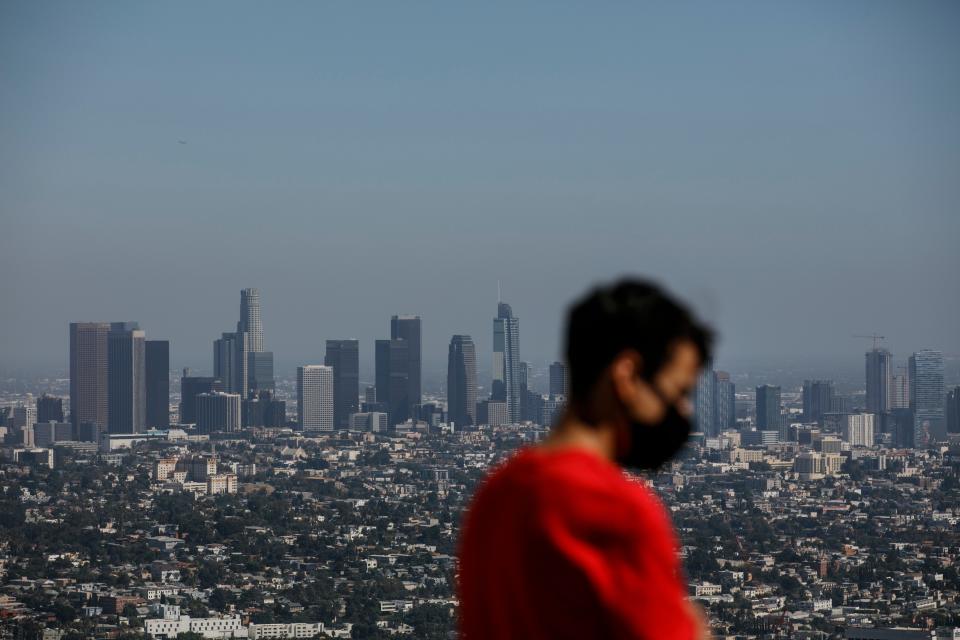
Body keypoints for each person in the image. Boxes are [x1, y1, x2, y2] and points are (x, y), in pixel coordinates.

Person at [458, 279, 714, 639]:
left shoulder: (494, 497)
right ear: (626, 375)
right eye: (676, 392)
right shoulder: (616, 511)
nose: (682, 411)